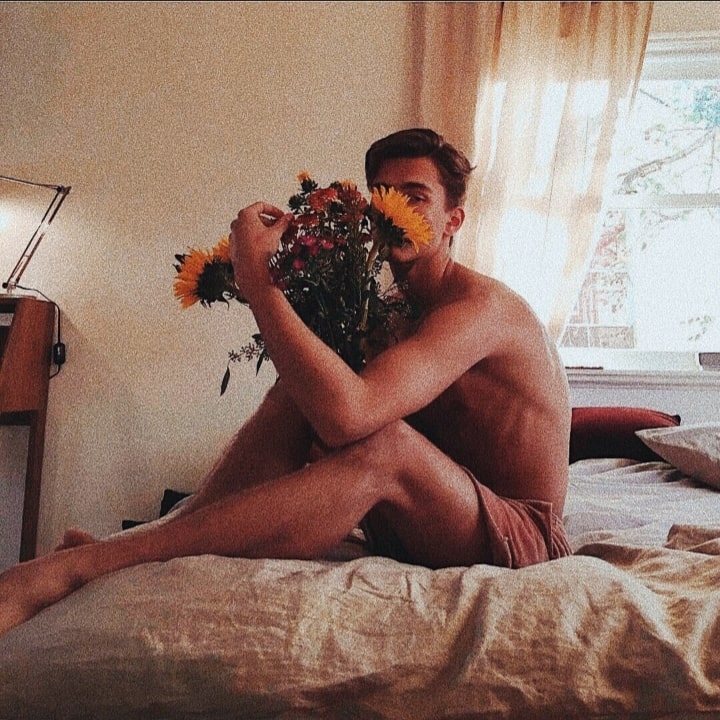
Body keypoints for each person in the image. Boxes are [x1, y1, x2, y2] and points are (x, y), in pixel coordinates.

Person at [0, 128, 571, 637]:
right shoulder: (397, 308)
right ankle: (149, 539)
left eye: (415, 197)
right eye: (383, 196)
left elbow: (351, 417)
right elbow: (326, 404)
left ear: (453, 221)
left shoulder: (480, 309)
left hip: (518, 536)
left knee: (384, 445)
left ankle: (84, 567)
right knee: (299, 395)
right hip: (427, 523)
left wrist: (260, 285)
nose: (393, 210)